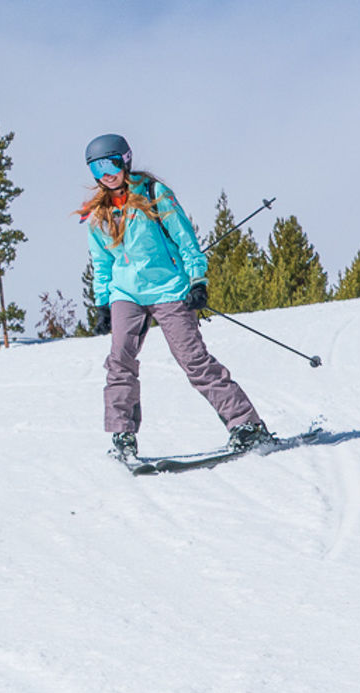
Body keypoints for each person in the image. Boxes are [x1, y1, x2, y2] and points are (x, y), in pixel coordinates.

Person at [78, 133, 271, 463]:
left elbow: (186, 238)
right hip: (126, 293)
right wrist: (102, 302)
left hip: (169, 289)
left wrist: (197, 280)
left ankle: (247, 425)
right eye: (96, 168)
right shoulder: (97, 214)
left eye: (110, 163)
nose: (105, 174)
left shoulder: (154, 194)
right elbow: (102, 262)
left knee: (192, 359)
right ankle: (122, 435)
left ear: (125, 160)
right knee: (119, 361)